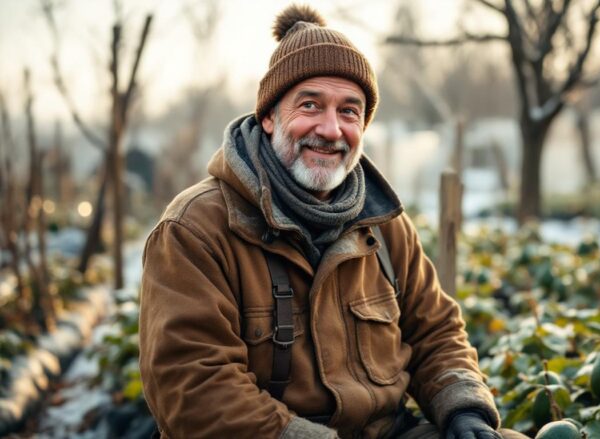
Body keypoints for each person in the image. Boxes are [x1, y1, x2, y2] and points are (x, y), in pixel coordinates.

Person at [139, 5, 527, 439]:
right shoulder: (195, 229)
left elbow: (435, 331)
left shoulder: (384, 224)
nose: (330, 129)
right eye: (310, 105)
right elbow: (193, 386)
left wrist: (463, 409)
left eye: (349, 111)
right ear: (269, 117)